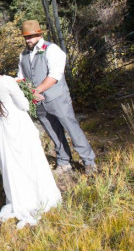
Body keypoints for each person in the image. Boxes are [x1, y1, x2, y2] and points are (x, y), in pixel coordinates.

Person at [0, 47, 61, 228]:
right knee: (29, 159)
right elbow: (23, 105)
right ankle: (38, 195)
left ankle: (18, 197)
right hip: (17, 124)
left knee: (12, 164)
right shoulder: (7, 81)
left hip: (1, 127)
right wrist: (25, 94)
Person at [17, 20, 97, 175]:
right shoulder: (23, 55)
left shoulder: (52, 49)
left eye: (31, 36)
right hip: (38, 103)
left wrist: (35, 90)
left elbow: (55, 76)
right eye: (26, 37)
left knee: (71, 128)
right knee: (53, 132)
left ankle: (88, 161)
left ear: (39, 34)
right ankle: (64, 162)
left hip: (57, 98)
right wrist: (28, 92)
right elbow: (21, 77)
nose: (28, 40)